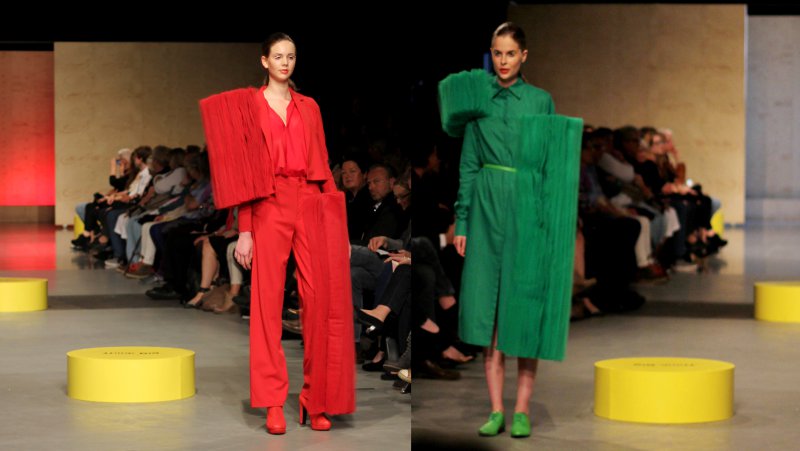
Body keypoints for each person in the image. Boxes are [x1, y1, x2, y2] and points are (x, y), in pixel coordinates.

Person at [199, 32, 355, 435]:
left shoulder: (310, 106)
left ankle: (315, 400)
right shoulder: (250, 107)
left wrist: (336, 227)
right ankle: (272, 402)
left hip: (311, 200)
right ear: (264, 61)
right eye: (279, 56)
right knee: (267, 304)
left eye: (291, 56)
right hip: (269, 202)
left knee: (318, 301)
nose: (286, 62)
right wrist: (245, 229)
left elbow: (323, 164)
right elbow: (243, 173)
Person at [438, 22, 583, 438]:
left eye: (511, 54)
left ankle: (521, 410)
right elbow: (468, 165)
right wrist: (463, 220)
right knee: (489, 312)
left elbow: (553, 163)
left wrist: (552, 222)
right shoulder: (477, 99)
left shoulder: (540, 100)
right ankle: (496, 409)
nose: (503, 61)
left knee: (524, 308)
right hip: (486, 209)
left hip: (527, 208)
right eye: (497, 53)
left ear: (524, 56)